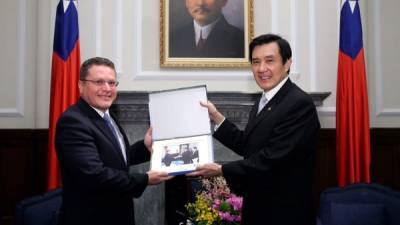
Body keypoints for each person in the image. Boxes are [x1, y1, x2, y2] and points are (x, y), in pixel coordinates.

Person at [188, 34, 321, 225]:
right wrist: (217, 117)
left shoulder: (299, 103)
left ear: (287, 63)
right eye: (256, 62)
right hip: (260, 207)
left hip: (284, 213)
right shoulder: (264, 100)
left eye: (269, 61)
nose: (261, 69)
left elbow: (272, 159)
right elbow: (249, 145)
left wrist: (222, 169)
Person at [55, 57, 172, 225]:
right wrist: (144, 179)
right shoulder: (73, 122)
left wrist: (145, 147)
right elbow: (95, 174)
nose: (107, 89)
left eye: (112, 83)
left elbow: (115, 158)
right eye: (99, 82)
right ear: (81, 86)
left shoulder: (107, 115)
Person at [169, 0, 244, 58]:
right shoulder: (172, 38)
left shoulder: (240, 40)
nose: (200, 3)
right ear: (186, 2)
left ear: (224, 1)